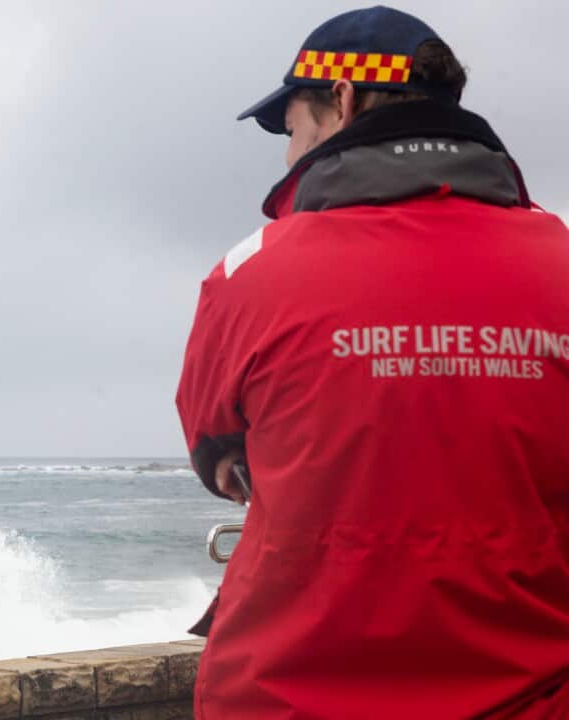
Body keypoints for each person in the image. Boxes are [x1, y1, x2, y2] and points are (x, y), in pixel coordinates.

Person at [176, 6, 569, 718]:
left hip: (290, 696)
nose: (290, 155)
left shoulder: (248, 275)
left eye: (292, 129)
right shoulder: (563, 263)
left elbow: (217, 455)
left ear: (344, 99)